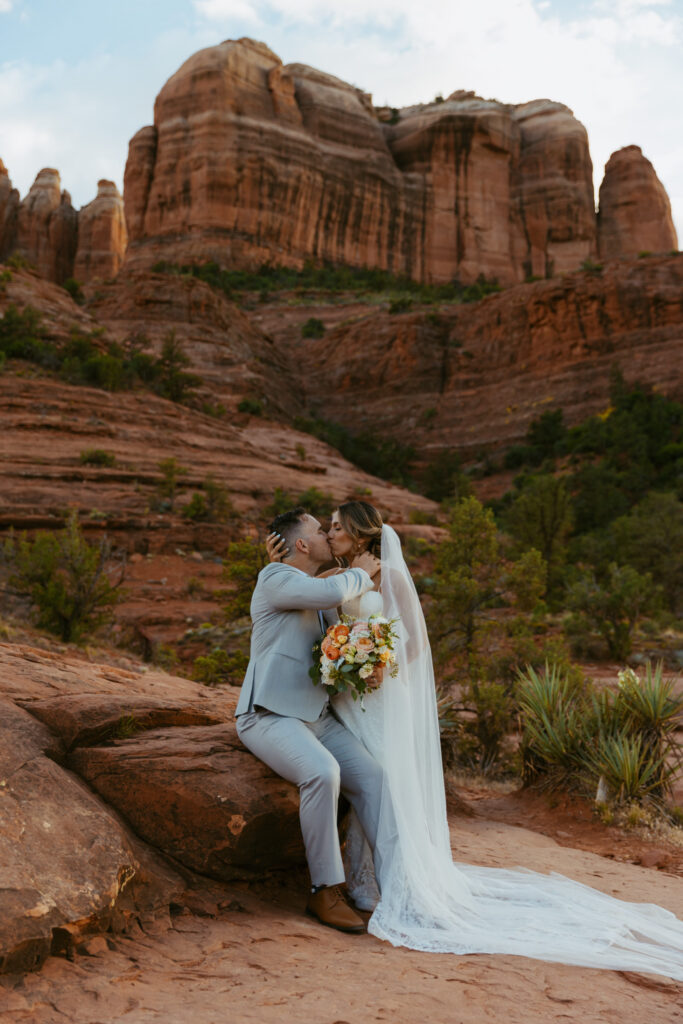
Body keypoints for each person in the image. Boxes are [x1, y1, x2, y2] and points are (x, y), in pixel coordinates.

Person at [266, 500, 683, 981]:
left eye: (337, 527)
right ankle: (361, 881)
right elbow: (296, 596)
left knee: (383, 779)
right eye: (327, 528)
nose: (331, 533)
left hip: (375, 695)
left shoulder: (389, 576)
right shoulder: (338, 576)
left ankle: (385, 883)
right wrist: (279, 570)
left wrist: (374, 661)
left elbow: (414, 645)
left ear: (359, 533)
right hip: (345, 700)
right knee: (364, 781)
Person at [235, 506, 385, 934]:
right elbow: (328, 594)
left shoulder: (315, 585)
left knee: (373, 777)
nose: (327, 535)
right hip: (268, 716)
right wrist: (360, 572)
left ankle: (396, 882)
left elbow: (335, 640)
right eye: (321, 530)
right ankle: (324, 890)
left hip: (316, 719)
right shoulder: (275, 577)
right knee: (322, 772)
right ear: (302, 544)